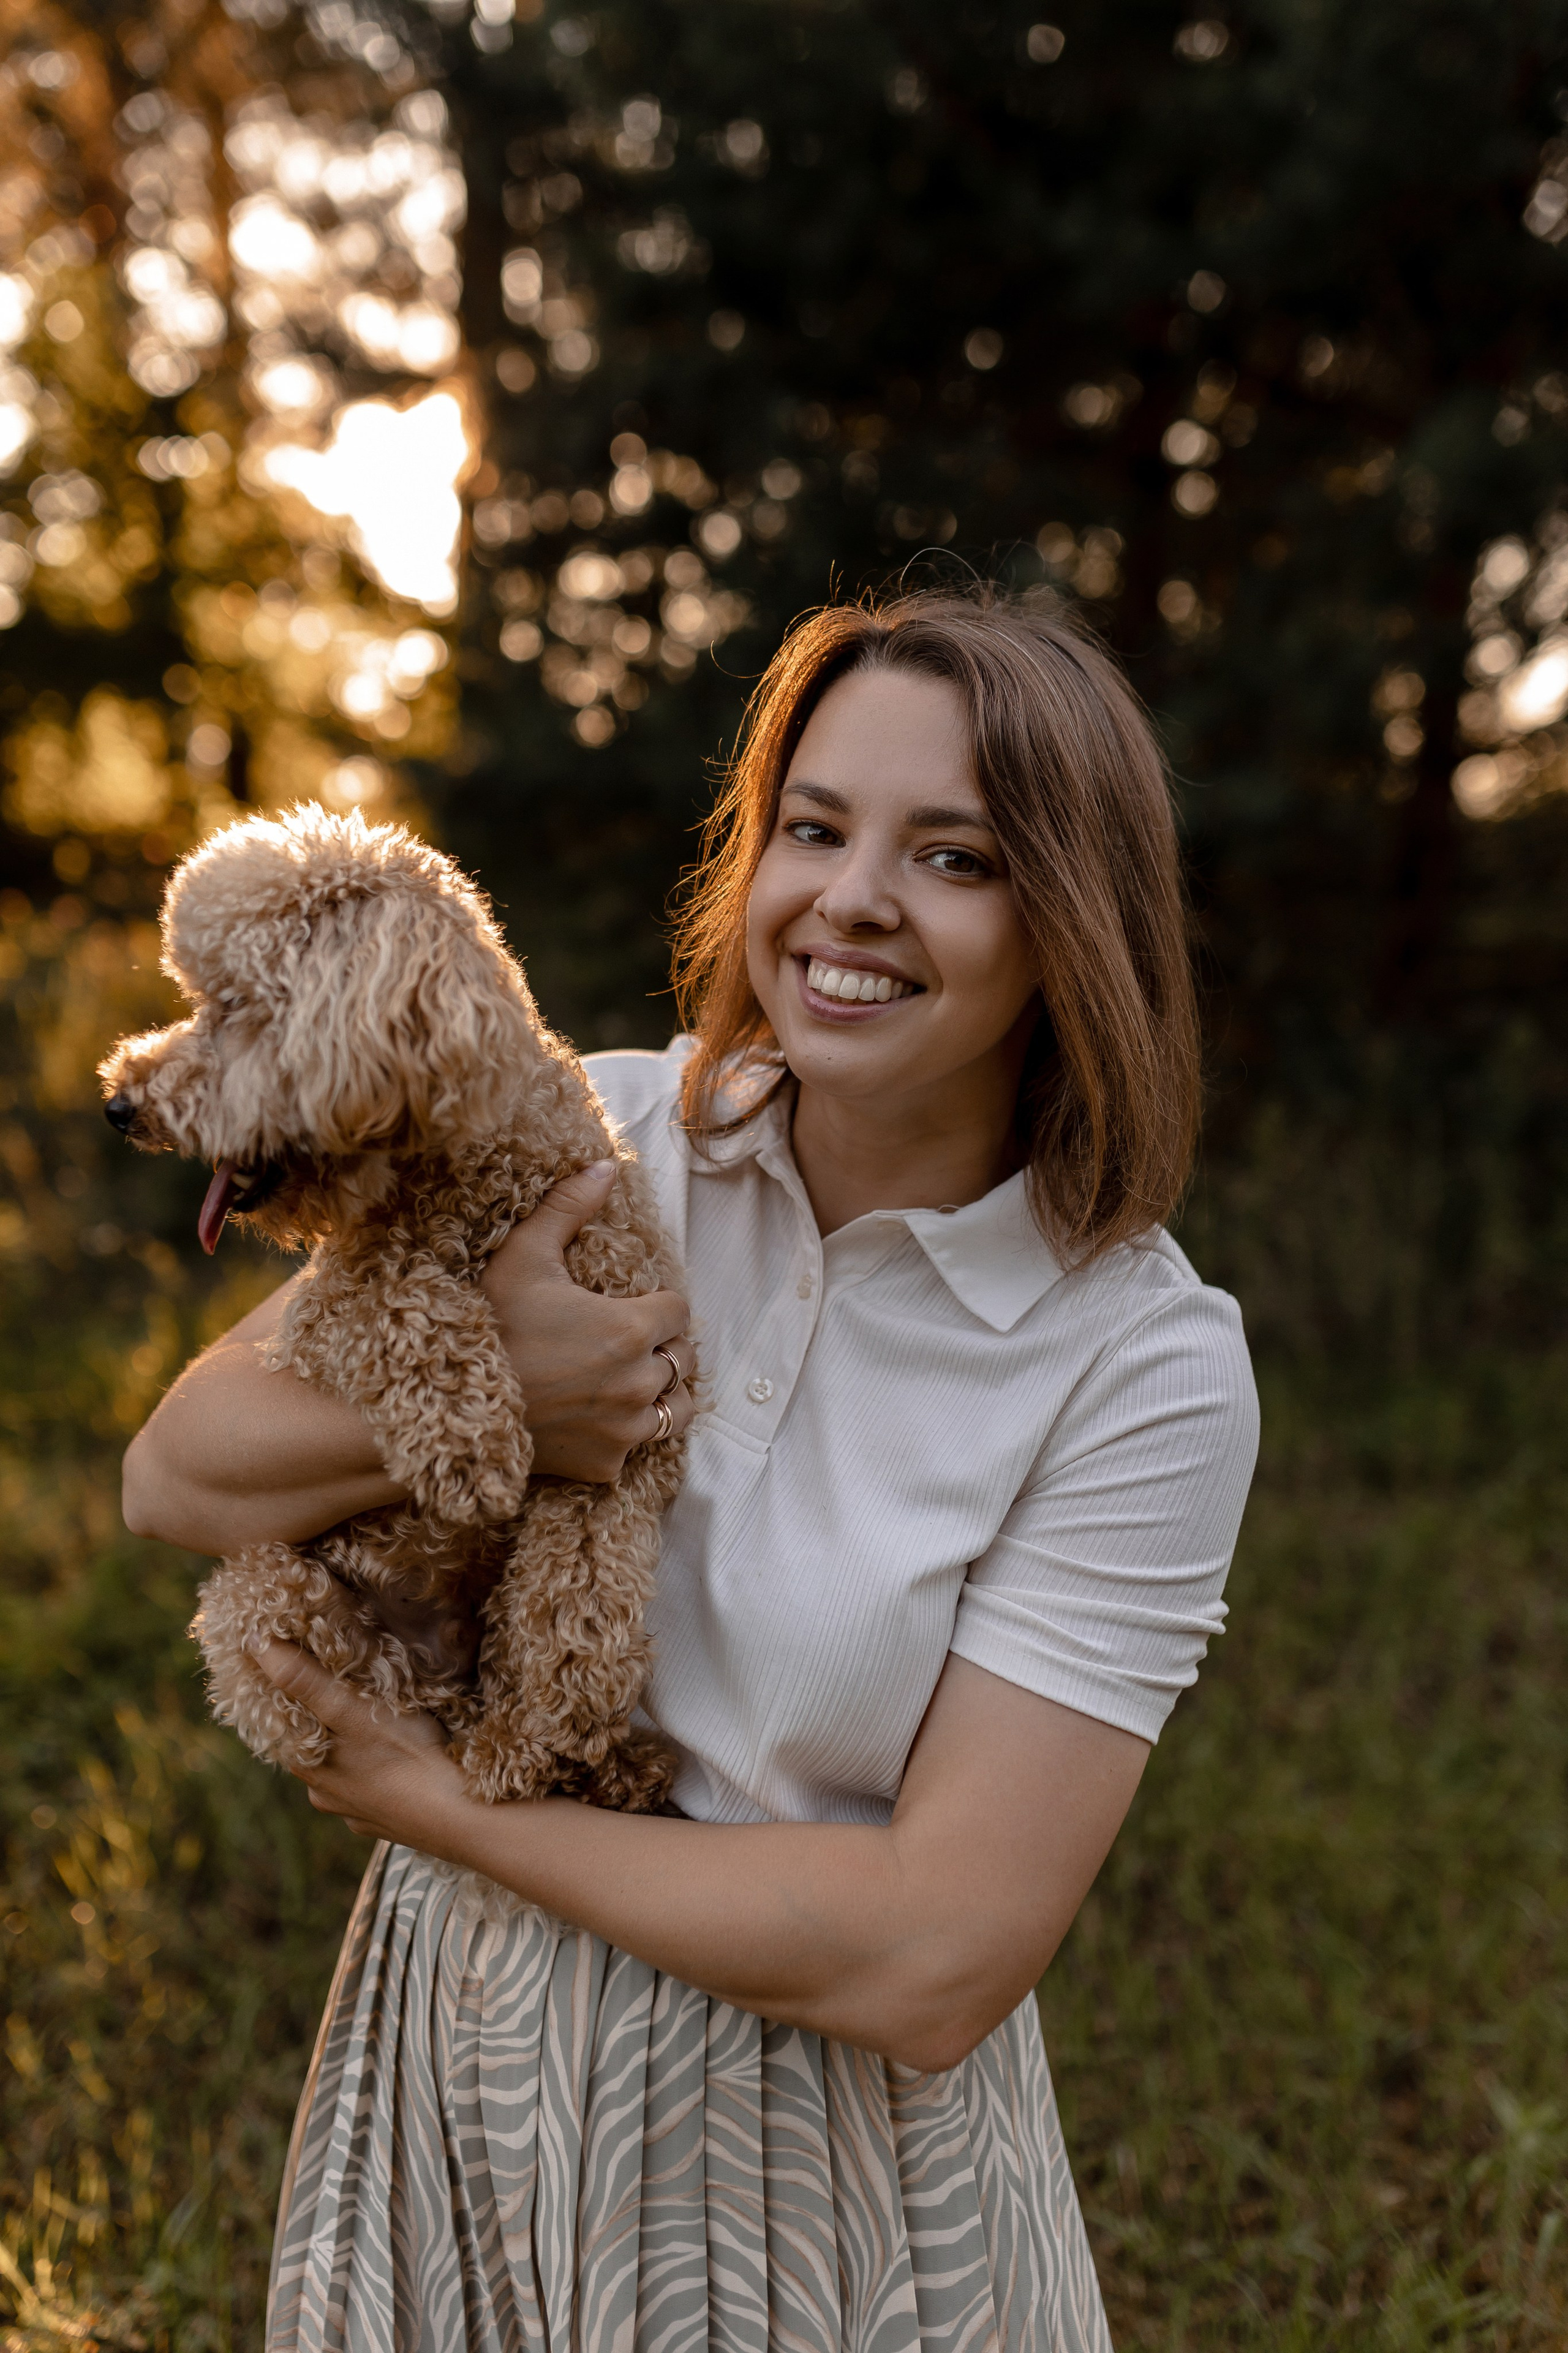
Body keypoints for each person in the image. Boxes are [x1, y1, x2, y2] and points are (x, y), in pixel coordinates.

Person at [124, 585, 1259, 2353]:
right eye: (814, 828)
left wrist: (444, 1808)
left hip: (826, 2165)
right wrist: (512, 1387)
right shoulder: (605, 1132)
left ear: (1072, 921)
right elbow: (176, 1476)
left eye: (953, 857)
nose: (852, 898)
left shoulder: (1139, 1361)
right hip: (460, 2072)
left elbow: (936, 1956)